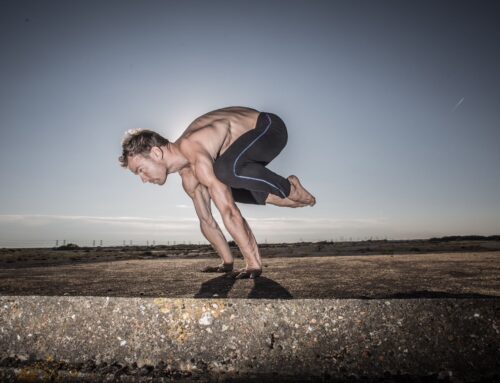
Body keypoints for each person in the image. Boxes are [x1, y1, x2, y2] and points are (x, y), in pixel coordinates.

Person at [118, 106, 316, 278]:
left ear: (155, 153)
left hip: (269, 129)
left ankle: (289, 188)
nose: (143, 179)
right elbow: (207, 221)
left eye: (140, 170)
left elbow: (228, 211)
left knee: (225, 171)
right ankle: (299, 199)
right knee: (225, 185)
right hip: (243, 157)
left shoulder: (194, 148)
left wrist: (252, 264)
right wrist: (227, 263)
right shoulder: (188, 176)